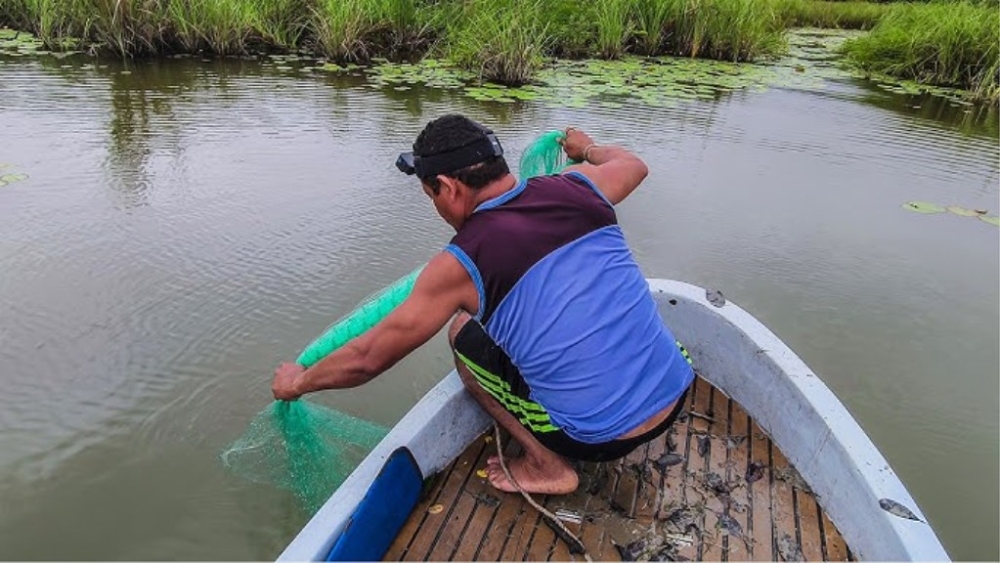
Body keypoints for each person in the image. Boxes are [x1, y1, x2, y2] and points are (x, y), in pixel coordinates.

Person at [272, 114, 695, 495]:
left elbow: (368, 358)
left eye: (430, 195)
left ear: (449, 188)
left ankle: (546, 465)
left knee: (461, 335)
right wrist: (583, 146)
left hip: (597, 439)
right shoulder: (581, 187)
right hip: (675, 392)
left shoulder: (461, 262)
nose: (435, 207)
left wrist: (299, 383)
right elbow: (634, 165)